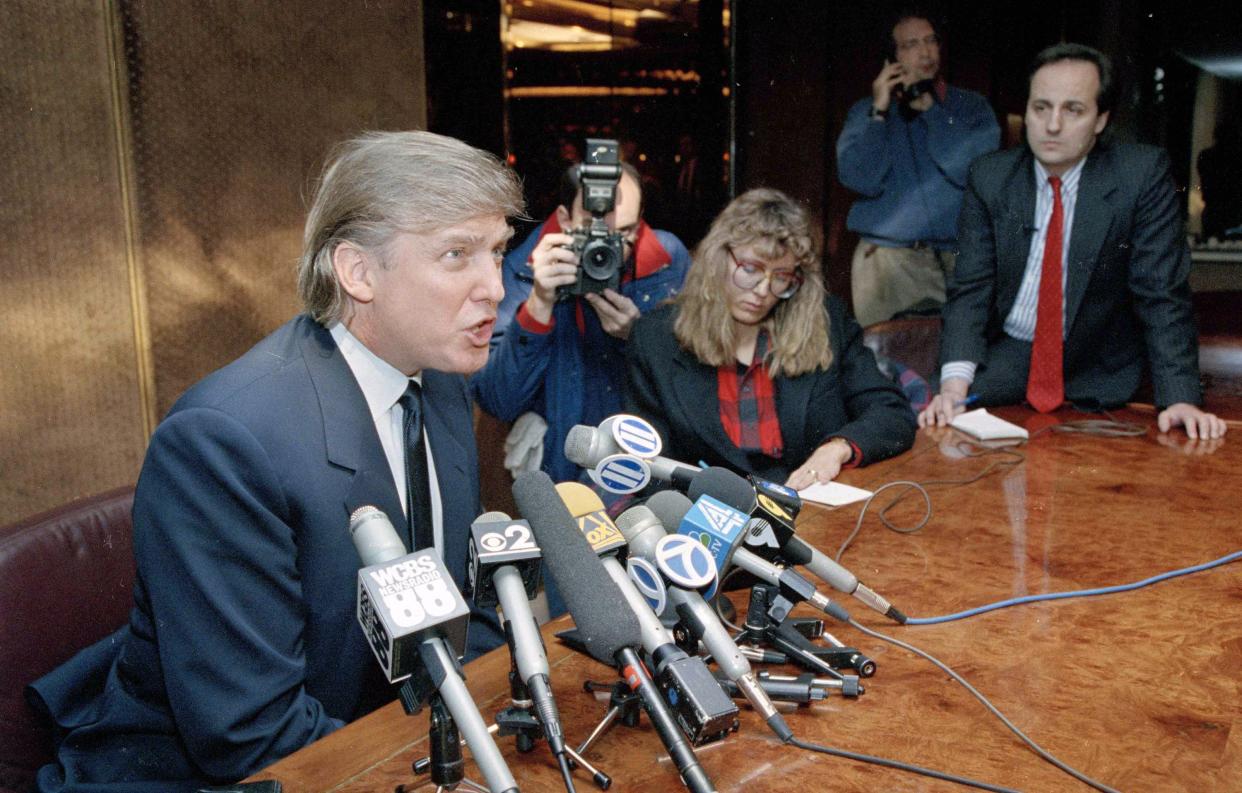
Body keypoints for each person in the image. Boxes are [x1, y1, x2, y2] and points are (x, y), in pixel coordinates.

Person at [28, 131, 524, 792]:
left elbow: (465, 611)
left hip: (382, 742)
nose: (493, 286)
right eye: (456, 254)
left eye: (497, 252)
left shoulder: (435, 381)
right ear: (357, 272)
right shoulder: (223, 439)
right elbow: (249, 734)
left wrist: (491, 734)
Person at [920, 44, 1227, 440]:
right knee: (932, 424)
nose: (1052, 125)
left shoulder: (1140, 175)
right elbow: (971, 289)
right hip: (1011, 356)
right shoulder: (990, 177)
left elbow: (1161, 293)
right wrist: (953, 387)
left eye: (1073, 110)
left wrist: (1181, 398)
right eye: (1041, 107)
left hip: (1102, 363)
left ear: (1101, 119)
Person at [626, 188, 916, 490]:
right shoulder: (656, 338)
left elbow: (891, 412)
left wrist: (839, 447)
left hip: (812, 510)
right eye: (750, 269)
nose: (763, 291)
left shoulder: (827, 320)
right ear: (718, 258)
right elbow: (648, 466)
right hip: (707, 513)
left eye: (781, 277)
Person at [472, 160, 690, 482]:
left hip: (647, 457)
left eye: (625, 232)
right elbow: (498, 401)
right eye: (593, 230)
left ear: (641, 223)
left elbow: (693, 379)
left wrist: (640, 336)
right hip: (566, 461)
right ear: (564, 219)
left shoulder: (666, 261)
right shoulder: (525, 269)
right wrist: (539, 305)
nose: (606, 247)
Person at [836, 9, 1000, 327]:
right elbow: (861, 178)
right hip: (889, 262)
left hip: (960, 260)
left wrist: (931, 113)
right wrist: (878, 114)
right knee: (891, 370)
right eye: (911, 45)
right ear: (892, 58)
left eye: (930, 41)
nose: (924, 52)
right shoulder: (865, 113)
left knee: (958, 365)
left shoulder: (972, 108)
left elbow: (973, 170)